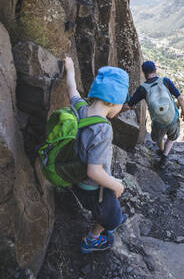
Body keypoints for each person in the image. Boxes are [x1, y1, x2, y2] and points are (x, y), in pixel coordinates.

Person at [63, 56, 128, 253]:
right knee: (112, 219)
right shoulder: (103, 129)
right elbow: (94, 171)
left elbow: (71, 90)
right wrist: (116, 185)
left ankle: (102, 220)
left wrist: (70, 70)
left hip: (77, 178)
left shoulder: (81, 109)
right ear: (112, 102)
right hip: (95, 189)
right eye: (121, 104)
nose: (121, 108)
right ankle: (91, 240)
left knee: (105, 210)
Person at [123, 61, 184, 168]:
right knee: (172, 137)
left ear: (144, 73)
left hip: (158, 122)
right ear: (155, 70)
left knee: (158, 138)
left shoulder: (143, 89)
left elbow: (128, 106)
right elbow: (179, 97)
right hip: (173, 118)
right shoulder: (165, 81)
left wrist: (114, 112)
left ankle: (162, 150)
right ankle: (165, 156)